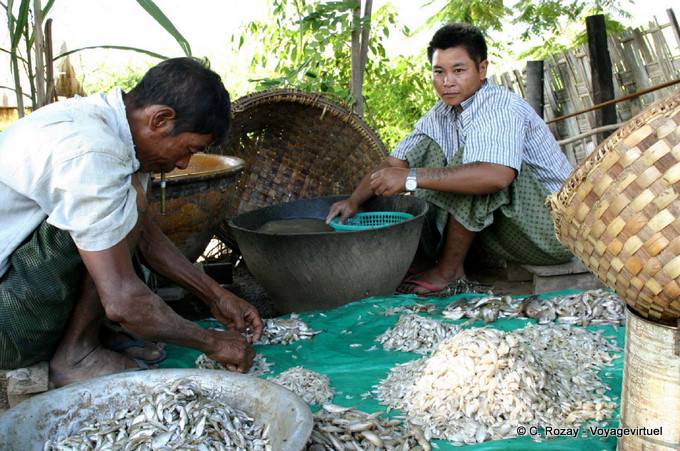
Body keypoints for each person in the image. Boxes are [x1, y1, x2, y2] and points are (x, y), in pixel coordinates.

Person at [0, 57, 263, 387]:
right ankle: (76, 356)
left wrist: (214, 295)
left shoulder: (110, 123)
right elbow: (123, 301)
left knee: (122, 210)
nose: (183, 164)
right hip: (6, 326)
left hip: (15, 286)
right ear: (160, 119)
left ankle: (89, 338)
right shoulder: (93, 152)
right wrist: (213, 343)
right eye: (188, 150)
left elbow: (143, 234)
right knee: (118, 215)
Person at [326, 23, 573, 295]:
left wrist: (410, 179)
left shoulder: (500, 106)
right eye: (439, 72)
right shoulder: (442, 113)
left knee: (479, 171)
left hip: (557, 233)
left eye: (459, 70)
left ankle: (448, 271)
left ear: (482, 69)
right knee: (427, 148)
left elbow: (496, 176)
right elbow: (395, 164)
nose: (447, 82)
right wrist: (353, 201)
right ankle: (428, 262)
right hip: (511, 233)